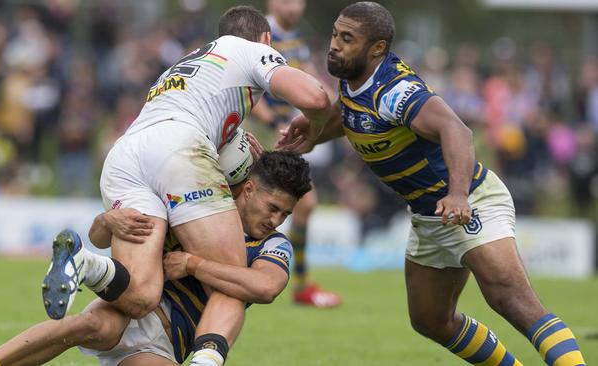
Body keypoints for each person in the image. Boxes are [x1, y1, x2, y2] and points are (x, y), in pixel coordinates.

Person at [276, 2, 586, 366]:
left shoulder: (396, 91)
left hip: (469, 201)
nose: (335, 45)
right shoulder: (354, 76)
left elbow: (456, 129)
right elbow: (351, 114)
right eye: (334, 35)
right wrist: (314, 132)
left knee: (512, 300)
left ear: (377, 48)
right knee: (431, 319)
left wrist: (458, 195)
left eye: (347, 38)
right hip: (430, 215)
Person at [40, 5, 331, 366]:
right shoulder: (253, 50)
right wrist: (314, 126)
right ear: (266, 39)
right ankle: (206, 360)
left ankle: (86, 264)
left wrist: (232, 137)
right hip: (179, 148)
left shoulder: (188, 61)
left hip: (126, 154)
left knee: (142, 293)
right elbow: (316, 97)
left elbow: (191, 110)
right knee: (234, 275)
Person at [0, 148, 311, 366]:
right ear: (248, 189)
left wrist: (193, 264)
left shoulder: (272, 245)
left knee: (238, 287)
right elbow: (102, 236)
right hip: (131, 309)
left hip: (165, 344)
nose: (275, 220)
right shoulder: (196, 210)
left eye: (284, 215)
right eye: (273, 208)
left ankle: (89, 267)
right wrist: (105, 220)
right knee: (87, 325)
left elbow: (266, 287)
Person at [250, 0, 341, 308]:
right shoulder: (260, 34)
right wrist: (273, 122)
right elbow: (247, 87)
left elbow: (310, 76)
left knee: (303, 205)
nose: (293, 6)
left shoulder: (296, 37)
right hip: (265, 132)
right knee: (290, 202)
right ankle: (291, 281)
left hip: (286, 132)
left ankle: (297, 282)